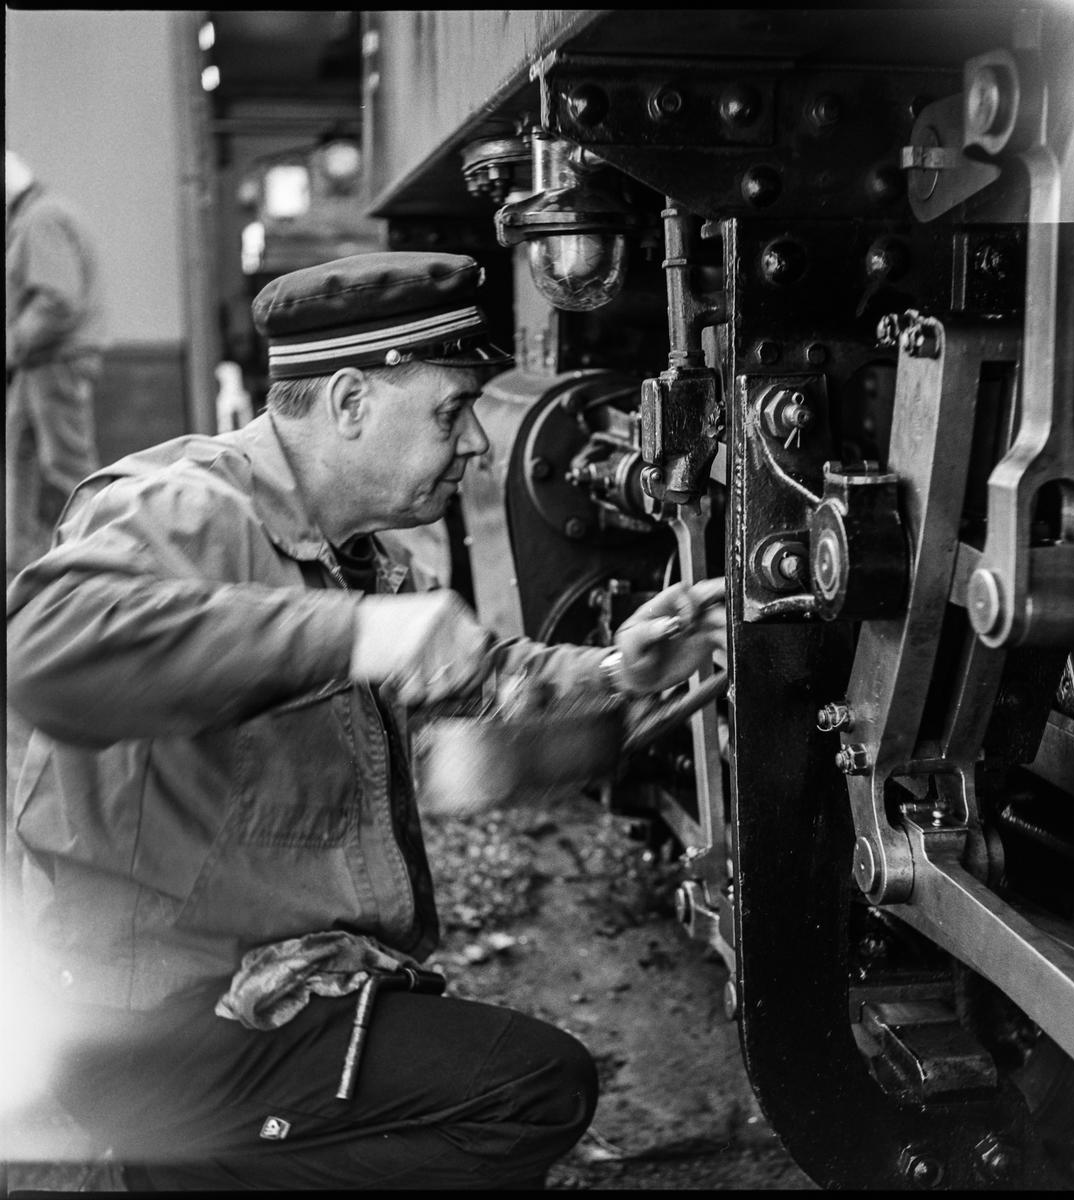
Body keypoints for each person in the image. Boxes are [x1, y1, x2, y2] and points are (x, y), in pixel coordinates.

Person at [5, 251, 727, 1191]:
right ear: (350, 402)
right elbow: (43, 649)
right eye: (450, 409)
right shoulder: (186, 507)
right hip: (149, 1022)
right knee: (529, 1091)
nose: (474, 444)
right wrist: (351, 635)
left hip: (226, 987)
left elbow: (475, 672)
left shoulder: (349, 553)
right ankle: (176, 1167)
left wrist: (618, 668)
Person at [5, 149, 106, 583]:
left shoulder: (39, 219)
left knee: (67, 466)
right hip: (40, 362)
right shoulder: (43, 214)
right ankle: (21, 561)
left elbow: (56, 299)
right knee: (21, 455)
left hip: (54, 360)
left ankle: (102, 560)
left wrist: (11, 344)